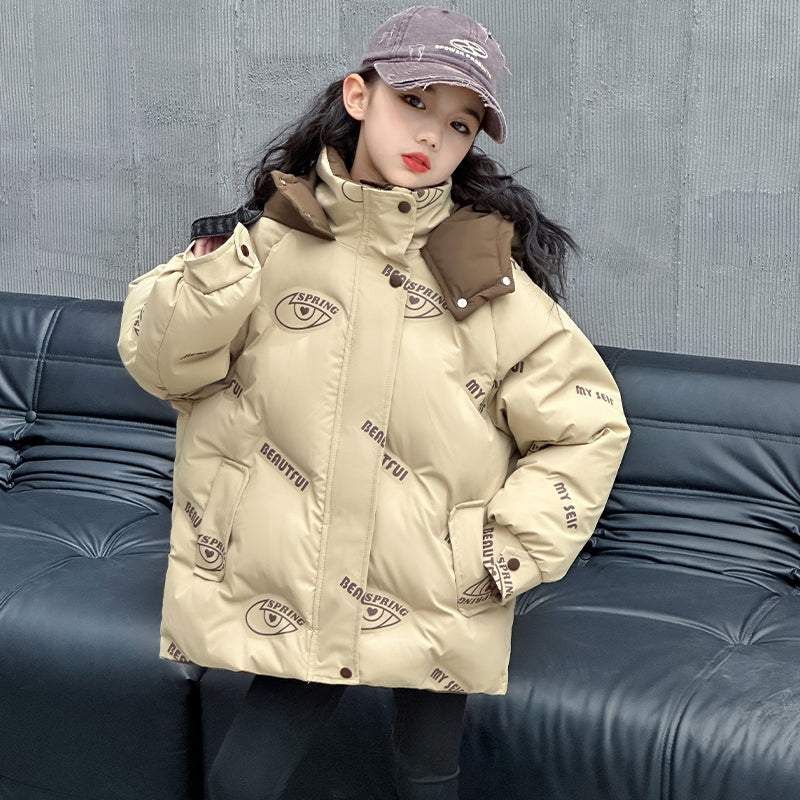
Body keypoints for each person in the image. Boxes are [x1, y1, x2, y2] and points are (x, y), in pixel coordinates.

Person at [118, 6, 630, 799]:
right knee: (245, 777)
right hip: (299, 578)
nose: (431, 134)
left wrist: (495, 550)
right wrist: (217, 274)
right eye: (413, 101)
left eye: (459, 123)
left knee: (428, 772)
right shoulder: (268, 243)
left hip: (438, 582)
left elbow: (587, 424)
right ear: (359, 96)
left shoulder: (480, 271)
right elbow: (164, 367)